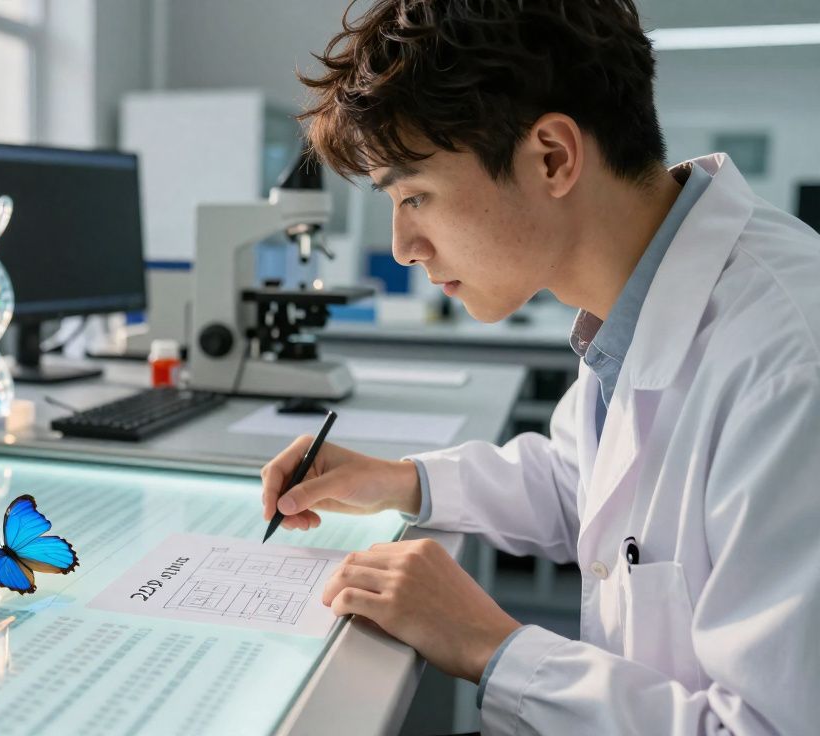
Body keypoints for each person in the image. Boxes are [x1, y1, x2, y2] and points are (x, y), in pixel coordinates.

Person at [260, 0, 820, 733]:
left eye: (416, 195)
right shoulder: (638, 298)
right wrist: (397, 481)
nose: (403, 246)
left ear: (553, 156)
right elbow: (581, 481)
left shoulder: (789, 364)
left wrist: (491, 646)